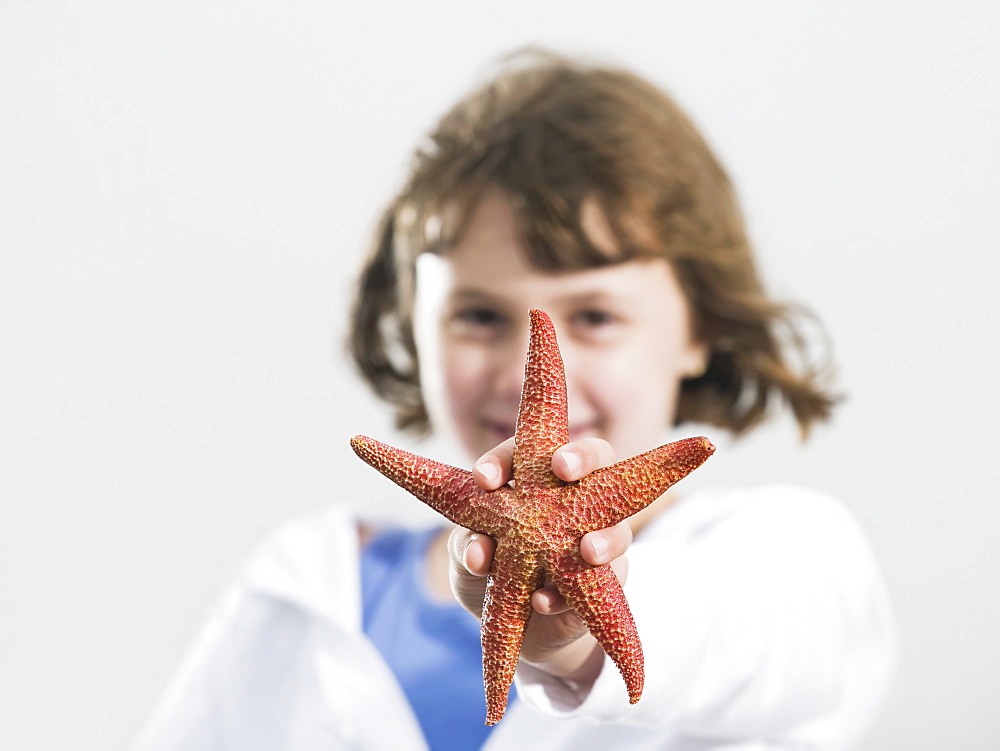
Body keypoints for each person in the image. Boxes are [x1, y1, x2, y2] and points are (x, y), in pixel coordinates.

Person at [135, 49, 895, 750]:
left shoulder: (792, 557)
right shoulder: (309, 581)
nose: (536, 372)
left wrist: (577, 636)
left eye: (595, 316)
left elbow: (750, 640)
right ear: (412, 324)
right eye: (479, 316)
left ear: (701, 326)